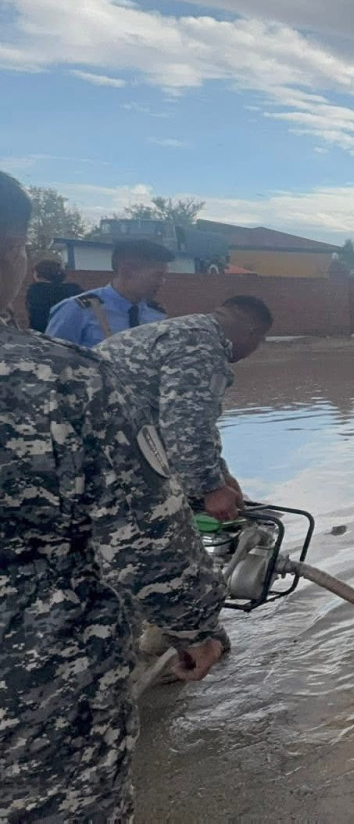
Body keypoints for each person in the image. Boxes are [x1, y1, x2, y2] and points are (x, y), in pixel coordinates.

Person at [0, 171, 228, 820]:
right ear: (13, 249)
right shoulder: (67, 357)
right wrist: (196, 624)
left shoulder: (159, 323)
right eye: (154, 270)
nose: (161, 280)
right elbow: (140, 541)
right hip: (38, 683)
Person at [97, 296, 274, 523]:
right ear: (252, 334)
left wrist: (220, 473)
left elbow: (194, 419)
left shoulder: (190, 330)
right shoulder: (202, 346)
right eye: (260, 341)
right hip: (98, 449)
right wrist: (211, 489)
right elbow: (185, 424)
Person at [45, 238, 172, 347]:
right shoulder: (77, 310)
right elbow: (52, 362)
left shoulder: (156, 314)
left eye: (164, 276)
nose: (162, 282)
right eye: (157, 275)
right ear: (126, 271)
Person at [25, 258, 81, 332]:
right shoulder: (74, 289)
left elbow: (37, 318)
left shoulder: (36, 290)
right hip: (73, 332)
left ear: (39, 274)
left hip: (45, 333)